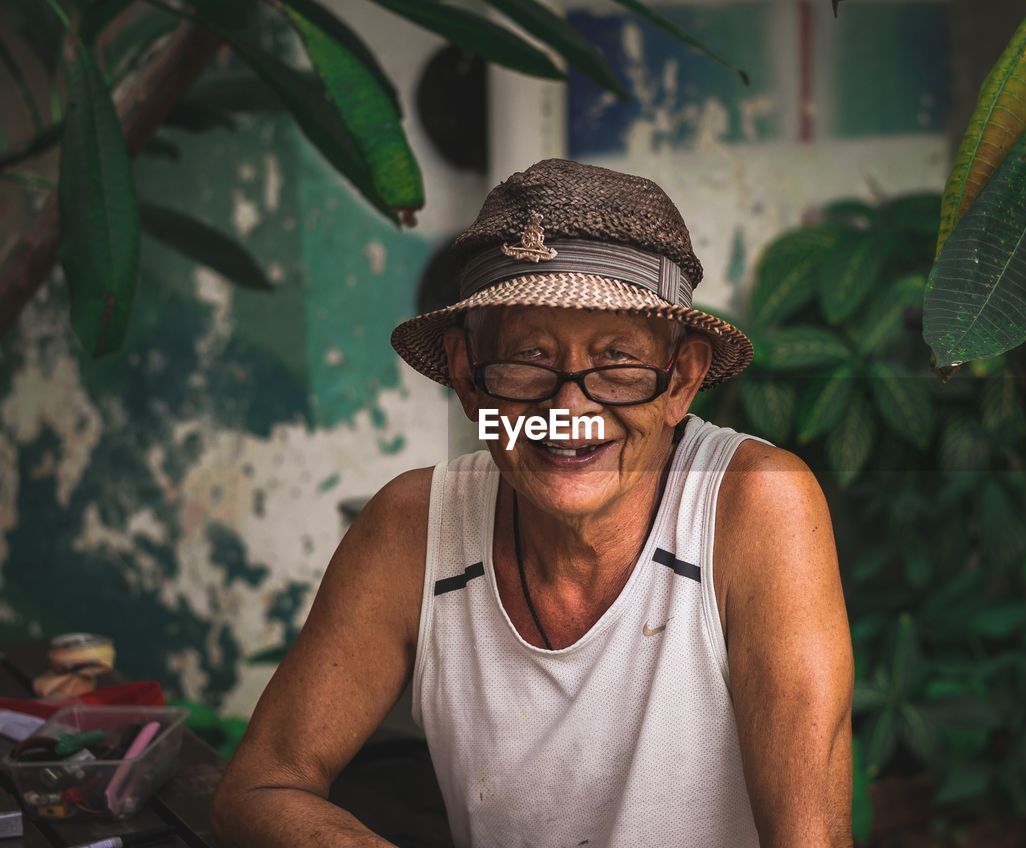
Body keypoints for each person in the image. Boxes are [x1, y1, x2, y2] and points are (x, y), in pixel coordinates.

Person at [211, 159, 855, 847]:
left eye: (617, 361)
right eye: (527, 360)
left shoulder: (756, 504)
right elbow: (261, 785)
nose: (567, 410)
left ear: (681, 381)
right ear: (467, 377)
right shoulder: (414, 527)